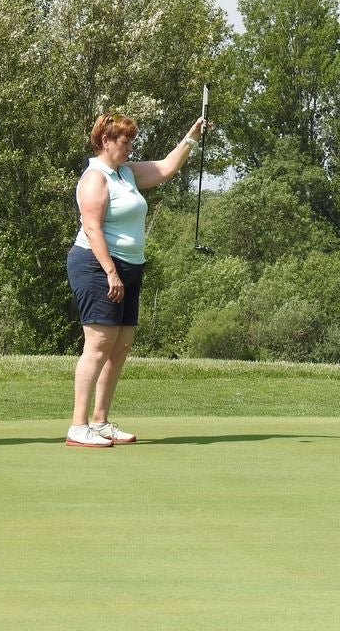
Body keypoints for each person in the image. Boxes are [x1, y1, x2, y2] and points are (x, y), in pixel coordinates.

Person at [65, 112, 205, 448]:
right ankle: (77, 425)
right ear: (106, 141)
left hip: (129, 267)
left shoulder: (125, 174)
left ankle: (100, 422)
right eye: (125, 141)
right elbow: (92, 227)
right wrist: (111, 272)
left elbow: (167, 168)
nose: (130, 147)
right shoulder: (95, 178)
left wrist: (192, 136)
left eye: (131, 141)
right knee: (98, 345)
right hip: (97, 267)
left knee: (120, 345)